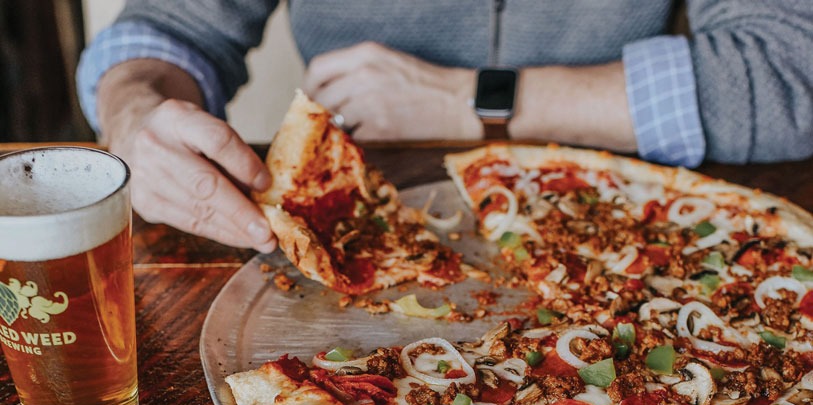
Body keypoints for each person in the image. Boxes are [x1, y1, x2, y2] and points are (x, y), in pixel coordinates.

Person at [77, 0, 813, 252]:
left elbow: (791, 67)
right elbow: (170, 29)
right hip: (360, 218)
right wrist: (134, 111)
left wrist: (476, 99)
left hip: (626, 211)